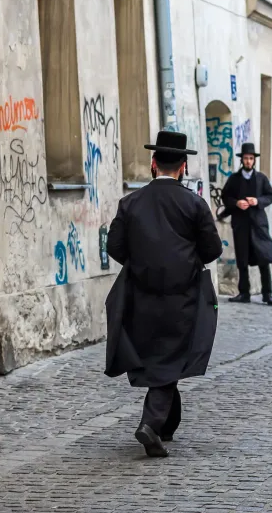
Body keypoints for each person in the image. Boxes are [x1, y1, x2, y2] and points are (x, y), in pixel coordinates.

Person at [104, 130, 223, 458]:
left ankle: (167, 425)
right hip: (181, 297)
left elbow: (114, 246)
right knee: (170, 360)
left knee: (162, 359)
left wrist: (142, 263)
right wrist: (186, 262)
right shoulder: (194, 204)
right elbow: (212, 249)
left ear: (153, 164)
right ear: (183, 167)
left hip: (140, 296)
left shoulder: (130, 203)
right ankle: (151, 425)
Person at [220, 142, 272, 306]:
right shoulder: (234, 179)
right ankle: (244, 292)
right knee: (242, 260)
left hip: (258, 224)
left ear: (254, 160)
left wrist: (257, 201)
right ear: (242, 160)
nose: (248, 161)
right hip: (241, 224)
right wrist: (237, 203)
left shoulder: (261, 179)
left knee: (263, 258)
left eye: (251, 158)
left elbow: (270, 196)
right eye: (246, 158)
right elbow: (226, 197)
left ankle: (267, 294)